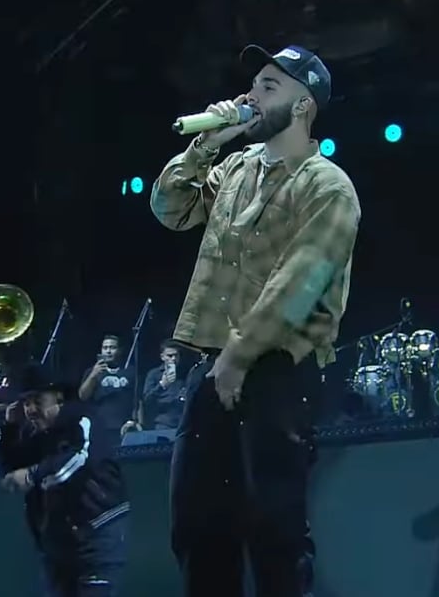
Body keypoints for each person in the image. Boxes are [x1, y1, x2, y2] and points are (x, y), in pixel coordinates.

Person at [151, 43, 360, 596]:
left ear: (302, 106)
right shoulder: (237, 170)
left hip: (275, 373)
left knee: (275, 532)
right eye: (253, 83)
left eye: (270, 85)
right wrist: (204, 146)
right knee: (198, 526)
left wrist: (239, 357)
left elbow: (300, 285)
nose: (250, 94)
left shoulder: (327, 186)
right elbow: (169, 211)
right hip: (213, 365)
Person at [0, 382, 129, 597]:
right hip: (57, 546)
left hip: (96, 534)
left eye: (38, 401)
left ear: (58, 398)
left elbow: (79, 459)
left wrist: (32, 474)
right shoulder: (34, 434)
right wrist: (9, 427)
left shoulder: (81, 419)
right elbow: (8, 470)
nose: (31, 410)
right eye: (26, 403)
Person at [79, 335, 135, 440]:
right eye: (105, 348)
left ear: (120, 350)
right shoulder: (92, 372)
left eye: (112, 348)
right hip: (99, 426)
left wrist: (136, 422)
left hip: (124, 427)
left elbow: (138, 400)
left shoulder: (130, 371)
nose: (108, 351)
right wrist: (93, 375)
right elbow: (83, 396)